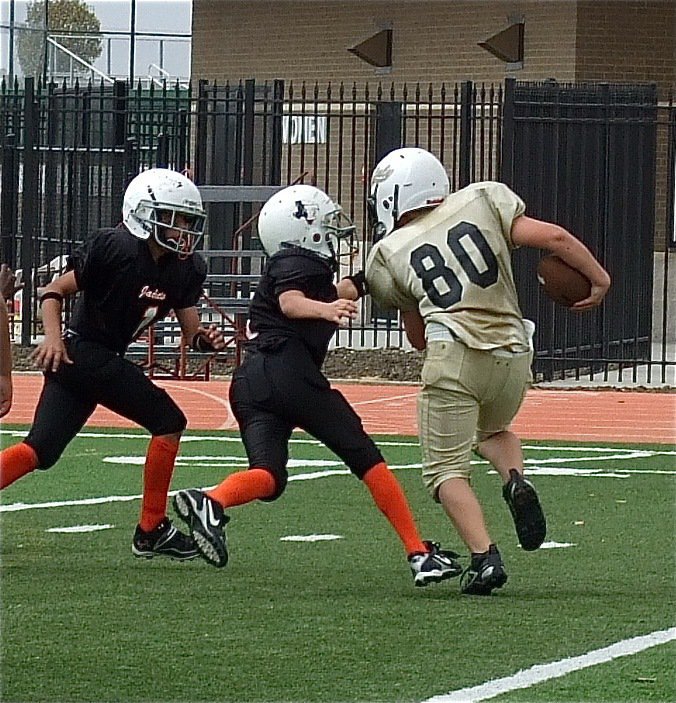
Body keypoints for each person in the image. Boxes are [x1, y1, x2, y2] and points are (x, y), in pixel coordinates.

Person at [173, 183, 462, 586]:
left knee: (269, 477)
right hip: (287, 372)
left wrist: (371, 275)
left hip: (251, 381)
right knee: (365, 456)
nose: (333, 231)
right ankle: (418, 552)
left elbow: (337, 290)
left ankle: (212, 502)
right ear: (303, 230)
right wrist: (327, 309)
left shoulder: (291, 266)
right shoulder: (298, 261)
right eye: (325, 223)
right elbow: (294, 303)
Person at [365, 147, 611, 595]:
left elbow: (418, 339)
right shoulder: (481, 198)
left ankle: (485, 558)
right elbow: (554, 238)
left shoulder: (388, 253)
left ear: (392, 197)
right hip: (514, 355)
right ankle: (514, 478)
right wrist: (599, 278)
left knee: (444, 472)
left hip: (454, 356)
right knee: (494, 430)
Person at [0, 168, 225, 560]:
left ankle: (152, 530)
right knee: (169, 420)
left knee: (41, 450)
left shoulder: (185, 267)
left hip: (87, 361)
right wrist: (53, 337)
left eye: (188, 221)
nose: (183, 230)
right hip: (82, 350)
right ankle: (151, 528)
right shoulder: (116, 247)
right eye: (174, 218)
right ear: (143, 212)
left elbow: (192, 333)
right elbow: (51, 292)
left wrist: (207, 342)